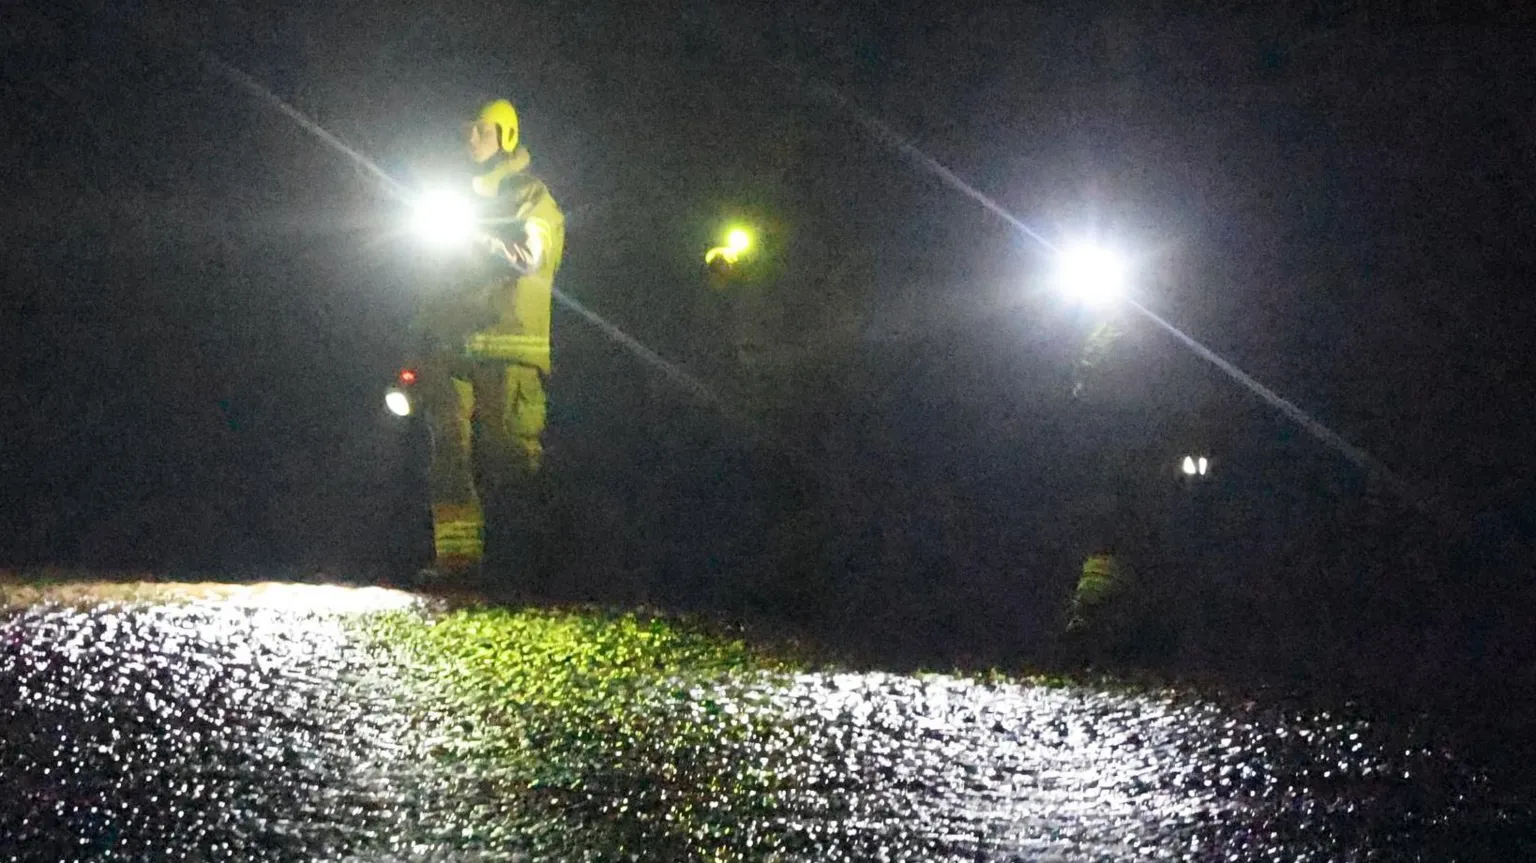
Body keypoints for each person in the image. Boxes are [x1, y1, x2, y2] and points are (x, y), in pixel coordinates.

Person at [411, 98, 565, 582]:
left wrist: (476, 239)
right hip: (450, 347)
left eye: (481, 129)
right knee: (448, 451)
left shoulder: (530, 195)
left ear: (507, 136)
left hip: (507, 346)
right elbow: (426, 278)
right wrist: (419, 340)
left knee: (509, 452)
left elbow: (531, 259)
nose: (471, 139)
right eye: (465, 129)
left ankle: (524, 565)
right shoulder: (447, 194)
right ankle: (457, 563)